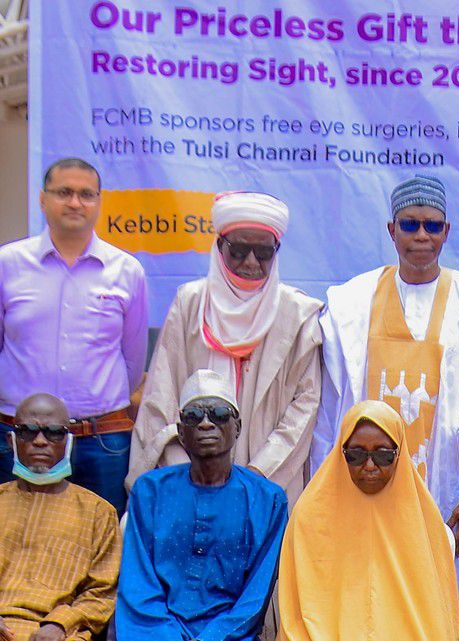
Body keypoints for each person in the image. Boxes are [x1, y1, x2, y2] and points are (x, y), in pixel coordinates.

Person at [311, 174, 459, 560]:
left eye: (432, 225)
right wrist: (327, 483)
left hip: (445, 485)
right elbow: (329, 409)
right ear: (392, 230)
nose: (422, 235)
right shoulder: (352, 303)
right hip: (363, 478)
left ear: (446, 232)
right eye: (410, 224)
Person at [128, 191, 322, 505]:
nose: (250, 262)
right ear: (219, 248)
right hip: (191, 481)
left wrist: (256, 476)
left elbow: (305, 407)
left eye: (263, 252)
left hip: (268, 484)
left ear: (277, 252)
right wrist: (188, 475)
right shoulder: (191, 303)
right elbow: (162, 399)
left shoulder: (298, 314)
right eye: (240, 250)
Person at [0, 157, 147, 515]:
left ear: (98, 201)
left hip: (102, 441)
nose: (75, 202)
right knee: (14, 546)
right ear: (42, 199)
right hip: (18, 439)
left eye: (86, 194)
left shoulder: (126, 271)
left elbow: (133, 360)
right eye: (64, 192)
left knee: (103, 544)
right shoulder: (7, 264)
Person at [117, 370, 288, 641]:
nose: (206, 424)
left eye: (219, 414)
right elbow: (138, 584)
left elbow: (255, 596)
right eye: (194, 416)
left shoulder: (268, 501)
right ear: (182, 434)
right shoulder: (150, 491)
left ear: (238, 428)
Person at [278, 400, 459, 641]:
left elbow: (439, 618)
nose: (370, 466)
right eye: (356, 455)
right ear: (341, 452)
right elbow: (297, 617)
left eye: (383, 455)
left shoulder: (425, 520)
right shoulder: (310, 517)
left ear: (399, 453)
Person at [0, 393, 121, 641]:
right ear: (11, 440)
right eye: (28, 431)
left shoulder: (99, 513)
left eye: (54, 432)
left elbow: (102, 593)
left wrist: (60, 625)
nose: (40, 441)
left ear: (68, 442)